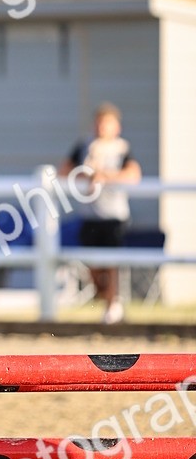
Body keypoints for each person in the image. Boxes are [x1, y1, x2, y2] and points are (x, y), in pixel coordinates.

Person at [59, 103, 141, 323]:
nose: (101, 127)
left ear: (116, 127)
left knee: (111, 262)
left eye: (106, 123)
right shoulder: (85, 145)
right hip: (89, 214)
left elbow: (133, 175)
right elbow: (64, 171)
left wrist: (105, 175)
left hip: (113, 216)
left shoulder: (122, 148)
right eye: (99, 122)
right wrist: (85, 176)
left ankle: (112, 306)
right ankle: (109, 300)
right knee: (91, 263)